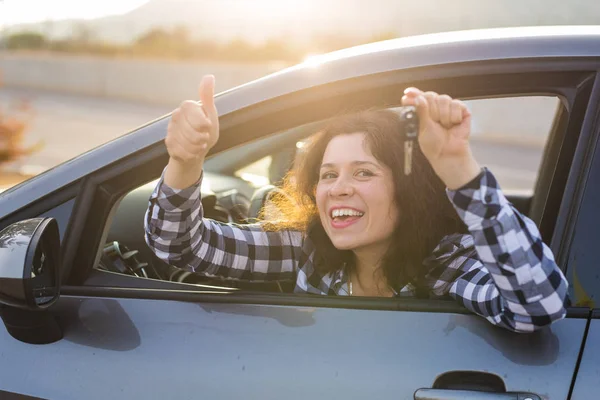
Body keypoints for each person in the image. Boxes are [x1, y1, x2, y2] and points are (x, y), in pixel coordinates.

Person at [144, 75, 569, 333]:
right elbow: (182, 247)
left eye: (364, 172)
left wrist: (458, 167)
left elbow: (539, 307)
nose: (339, 188)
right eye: (328, 175)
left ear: (409, 191)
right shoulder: (307, 250)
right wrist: (185, 162)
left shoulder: (447, 267)